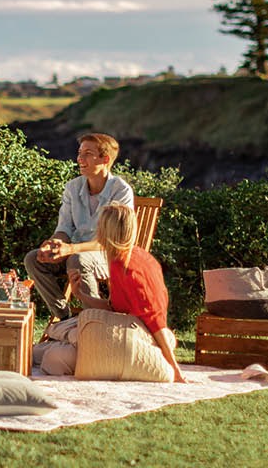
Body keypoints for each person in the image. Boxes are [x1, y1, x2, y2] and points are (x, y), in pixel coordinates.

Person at [38, 204, 187, 382]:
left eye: (99, 225)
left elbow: (155, 321)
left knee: (53, 357)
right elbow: (113, 307)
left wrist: (174, 369)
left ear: (106, 232)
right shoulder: (120, 259)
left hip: (135, 338)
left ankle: (50, 335)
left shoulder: (129, 268)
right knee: (51, 348)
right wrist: (80, 295)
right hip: (123, 330)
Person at [25, 133, 134, 320]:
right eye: (79, 153)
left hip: (109, 256)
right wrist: (54, 244)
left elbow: (110, 242)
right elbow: (65, 228)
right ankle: (65, 318)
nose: (79, 159)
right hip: (74, 253)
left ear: (105, 159)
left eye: (87, 153)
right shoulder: (72, 188)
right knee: (34, 258)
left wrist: (71, 249)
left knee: (78, 259)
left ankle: (95, 319)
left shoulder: (121, 191)